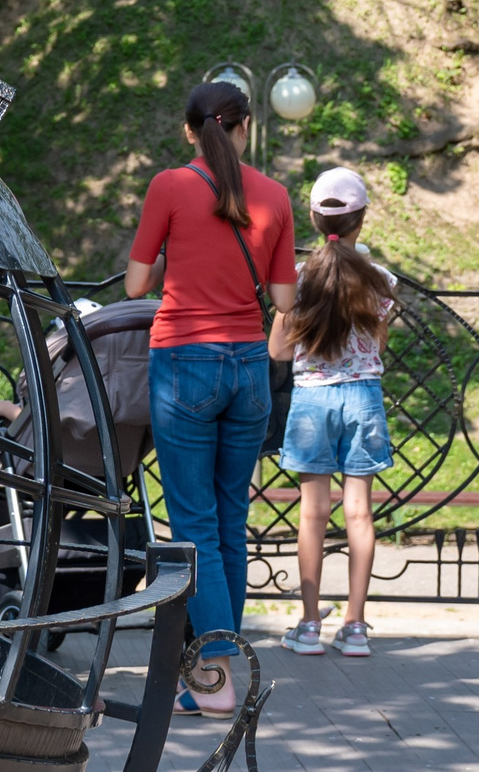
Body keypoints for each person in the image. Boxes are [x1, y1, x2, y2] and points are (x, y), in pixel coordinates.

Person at [126, 80, 296, 716]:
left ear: (189, 131)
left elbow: (137, 284)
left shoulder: (170, 186)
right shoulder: (275, 195)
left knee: (194, 525)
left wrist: (176, 259)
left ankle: (216, 678)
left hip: (185, 365)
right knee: (229, 522)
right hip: (248, 368)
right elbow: (283, 299)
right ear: (246, 126)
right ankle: (217, 672)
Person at [269, 168, 395, 657]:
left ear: (313, 218)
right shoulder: (380, 280)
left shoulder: (299, 279)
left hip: (312, 400)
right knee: (359, 512)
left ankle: (308, 627)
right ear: (362, 219)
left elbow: (279, 351)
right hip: (363, 397)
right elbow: (378, 344)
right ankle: (356, 627)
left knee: (312, 513)